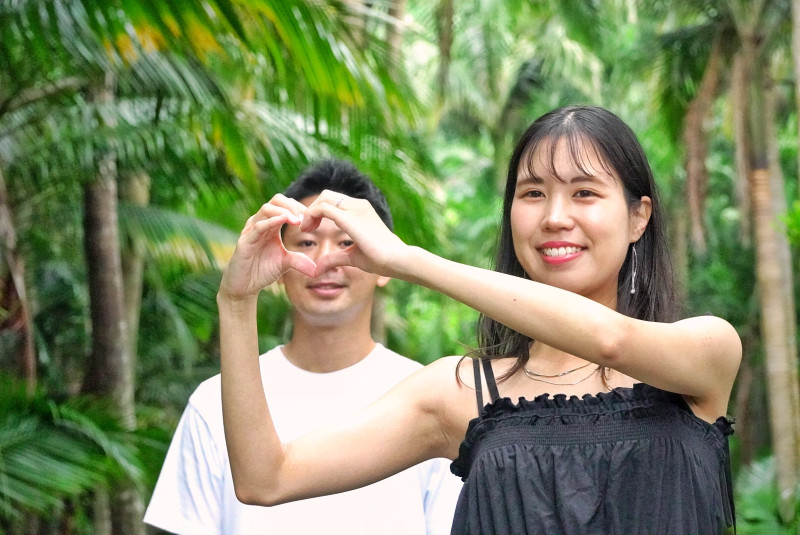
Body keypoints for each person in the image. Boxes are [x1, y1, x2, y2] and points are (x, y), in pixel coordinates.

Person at [218, 106, 742, 535]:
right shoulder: (460, 392)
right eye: (532, 193)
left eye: (584, 192)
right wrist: (237, 303)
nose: (555, 216)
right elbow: (267, 478)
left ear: (638, 216)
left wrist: (406, 260)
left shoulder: (704, 352)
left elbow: (610, 340)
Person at [144, 159, 462, 535]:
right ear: (278, 262)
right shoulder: (215, 401)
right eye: (306, 243)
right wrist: (235, 299)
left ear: (383, 264)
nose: (324, 260)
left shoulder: (432, 402)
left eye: (348, 243)